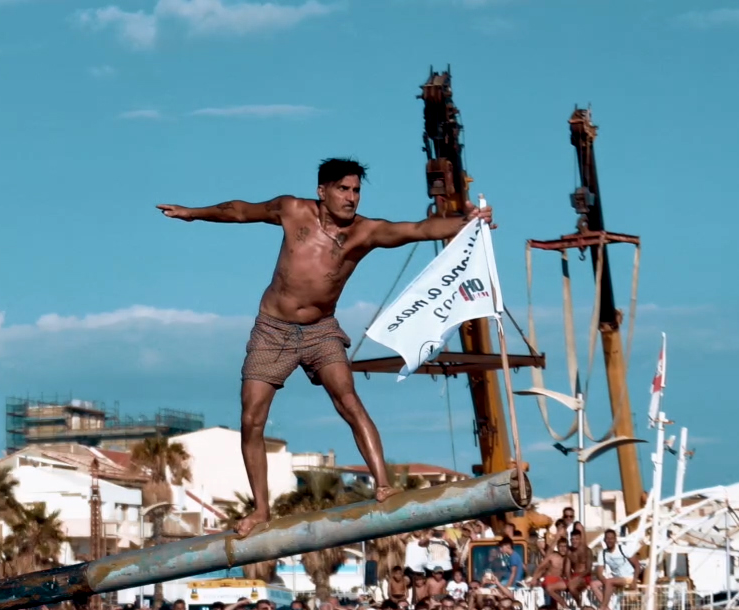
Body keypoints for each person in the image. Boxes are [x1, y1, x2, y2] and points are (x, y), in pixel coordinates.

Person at [158, 162, 495, 533]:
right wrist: (193, 214)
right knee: (251, 419)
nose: (351, 198)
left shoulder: (364, 232)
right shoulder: (292, 211)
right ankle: (261, 511)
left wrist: (468, 222)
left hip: (321, 330)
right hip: (273, 330)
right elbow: (239, 210)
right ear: (322, 191)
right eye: (343, 190)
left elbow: (417, 229)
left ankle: (383, 485)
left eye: (356, 191)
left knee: (348, 400)